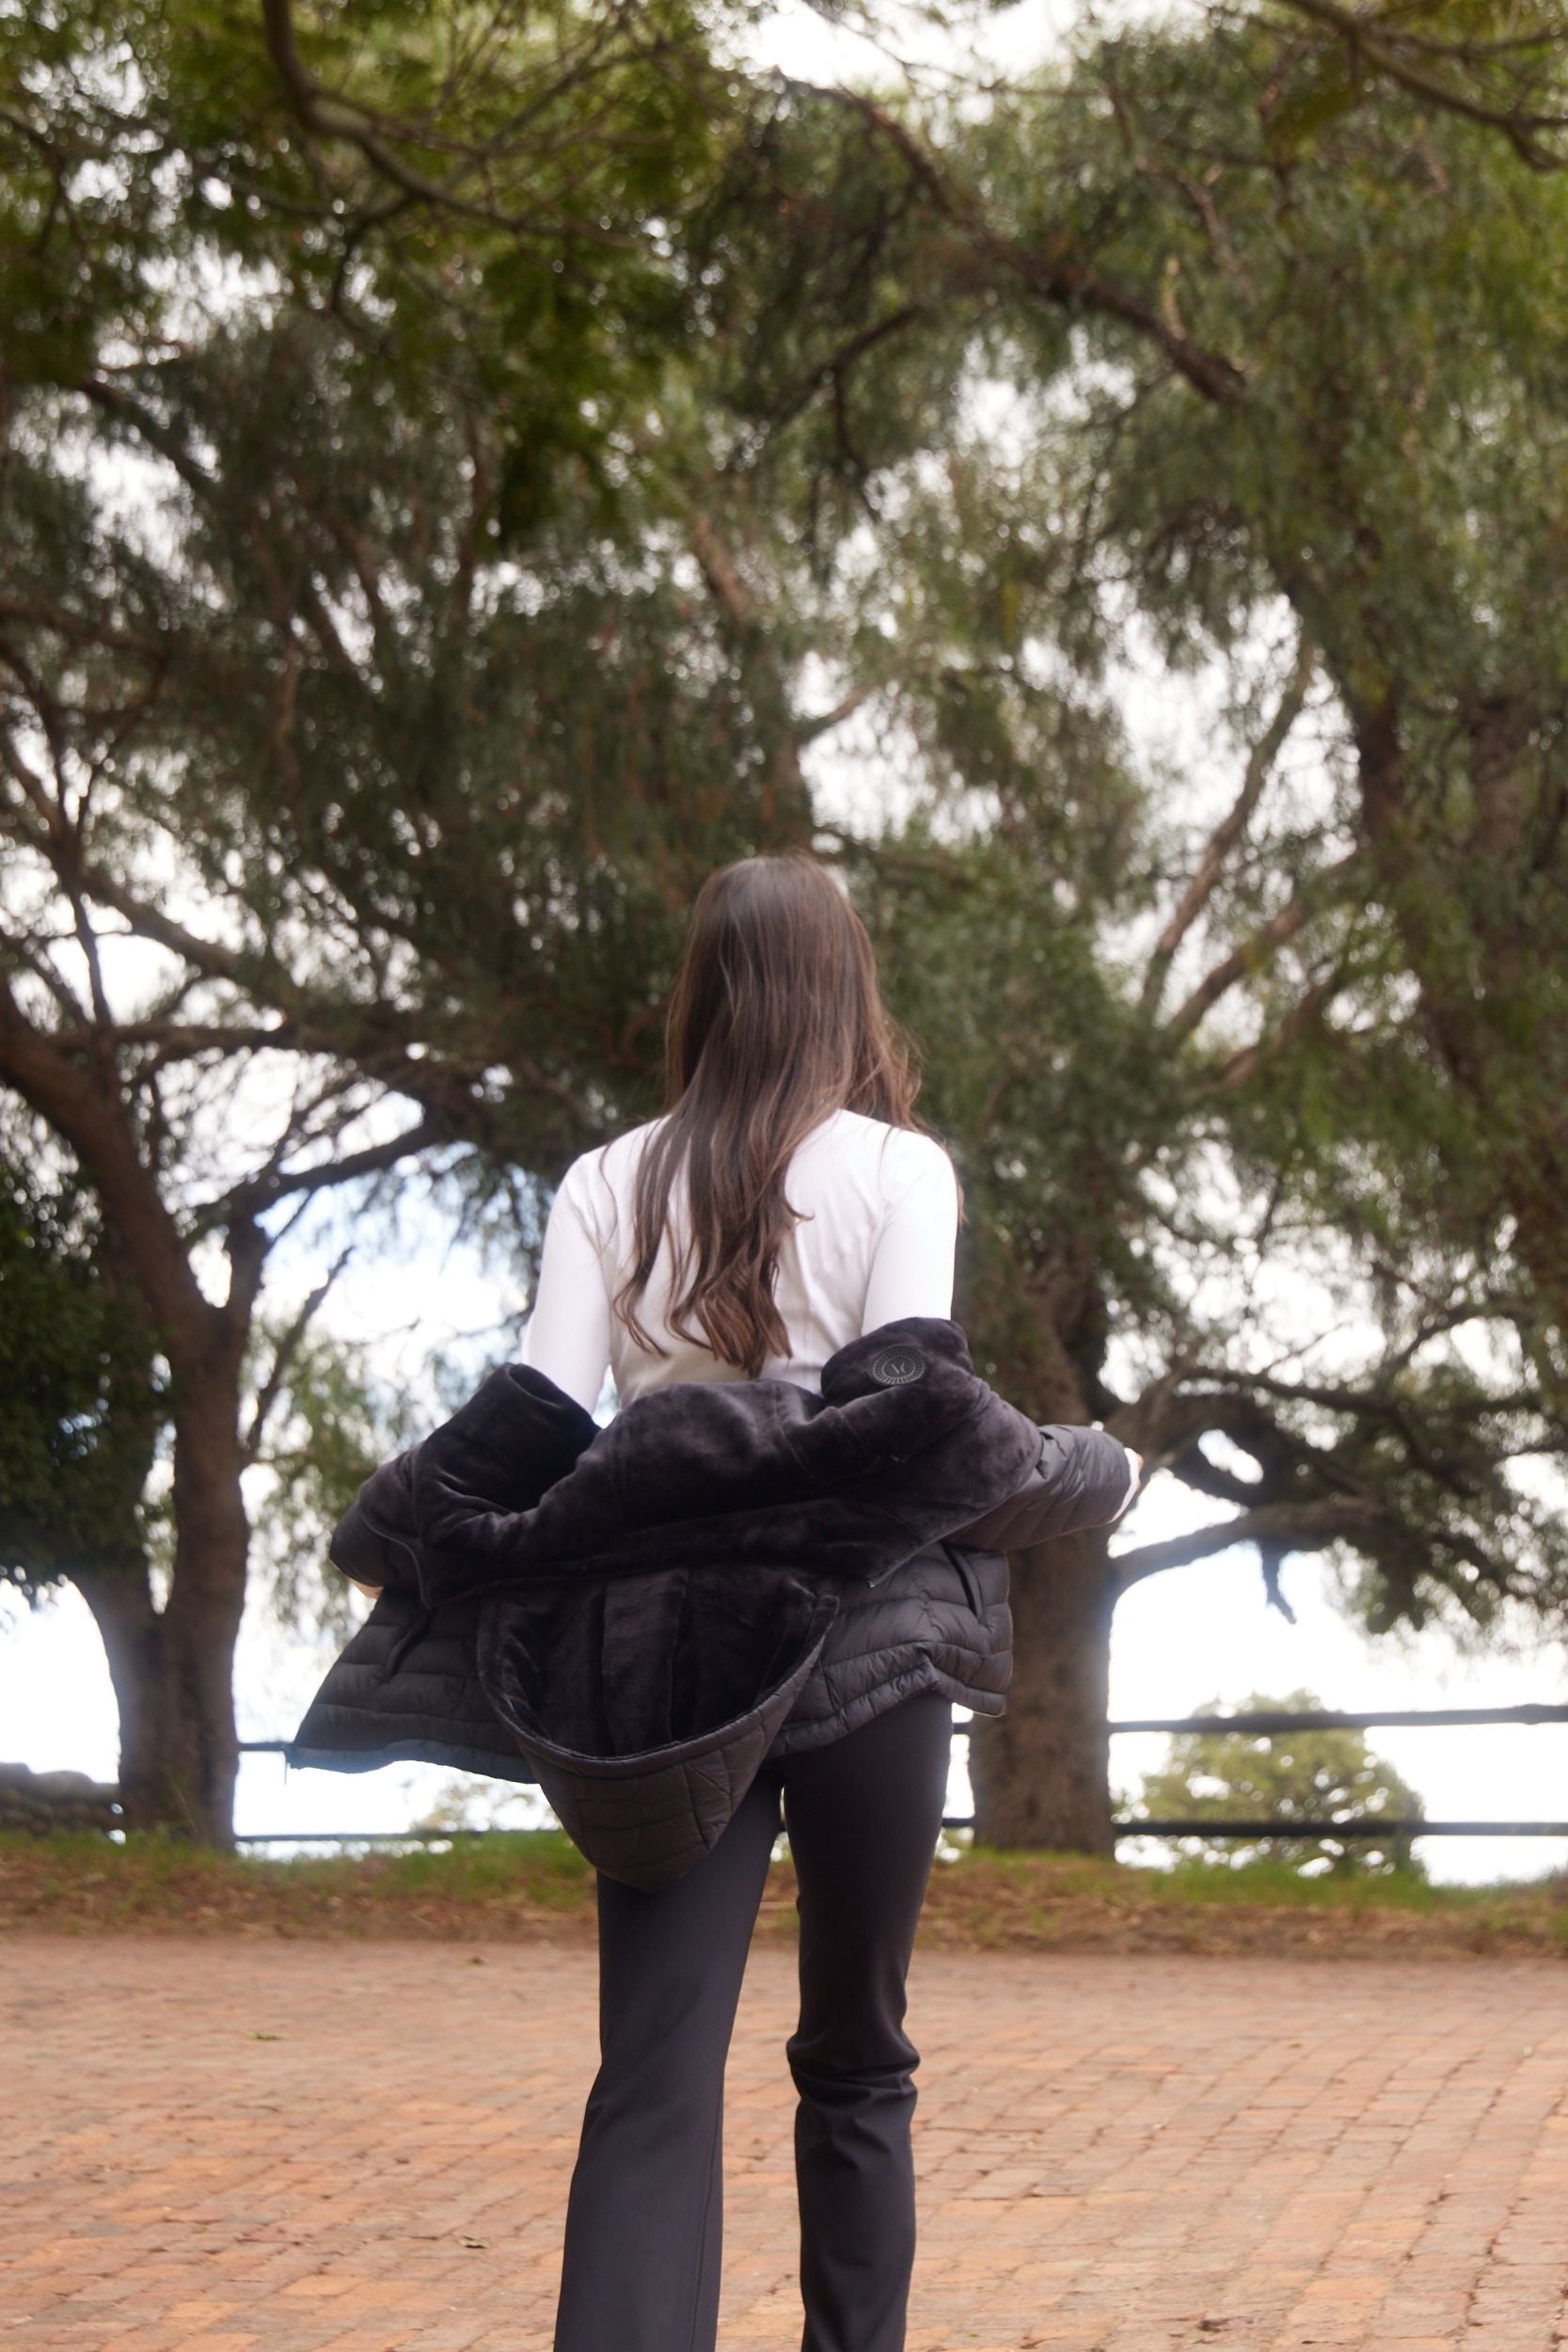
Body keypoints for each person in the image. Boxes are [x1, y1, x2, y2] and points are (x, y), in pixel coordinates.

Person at [500, 850, 1142, 2352]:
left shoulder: (605, 1181)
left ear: (704, 995)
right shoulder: (901, 1172)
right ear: (845, 993)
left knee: (653, 2073)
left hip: (663, 1662)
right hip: (874, 1647)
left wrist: (417, 1535)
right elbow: (906, 1412)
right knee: (858, 2058)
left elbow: (535, 1425)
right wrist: (1092, 1469)